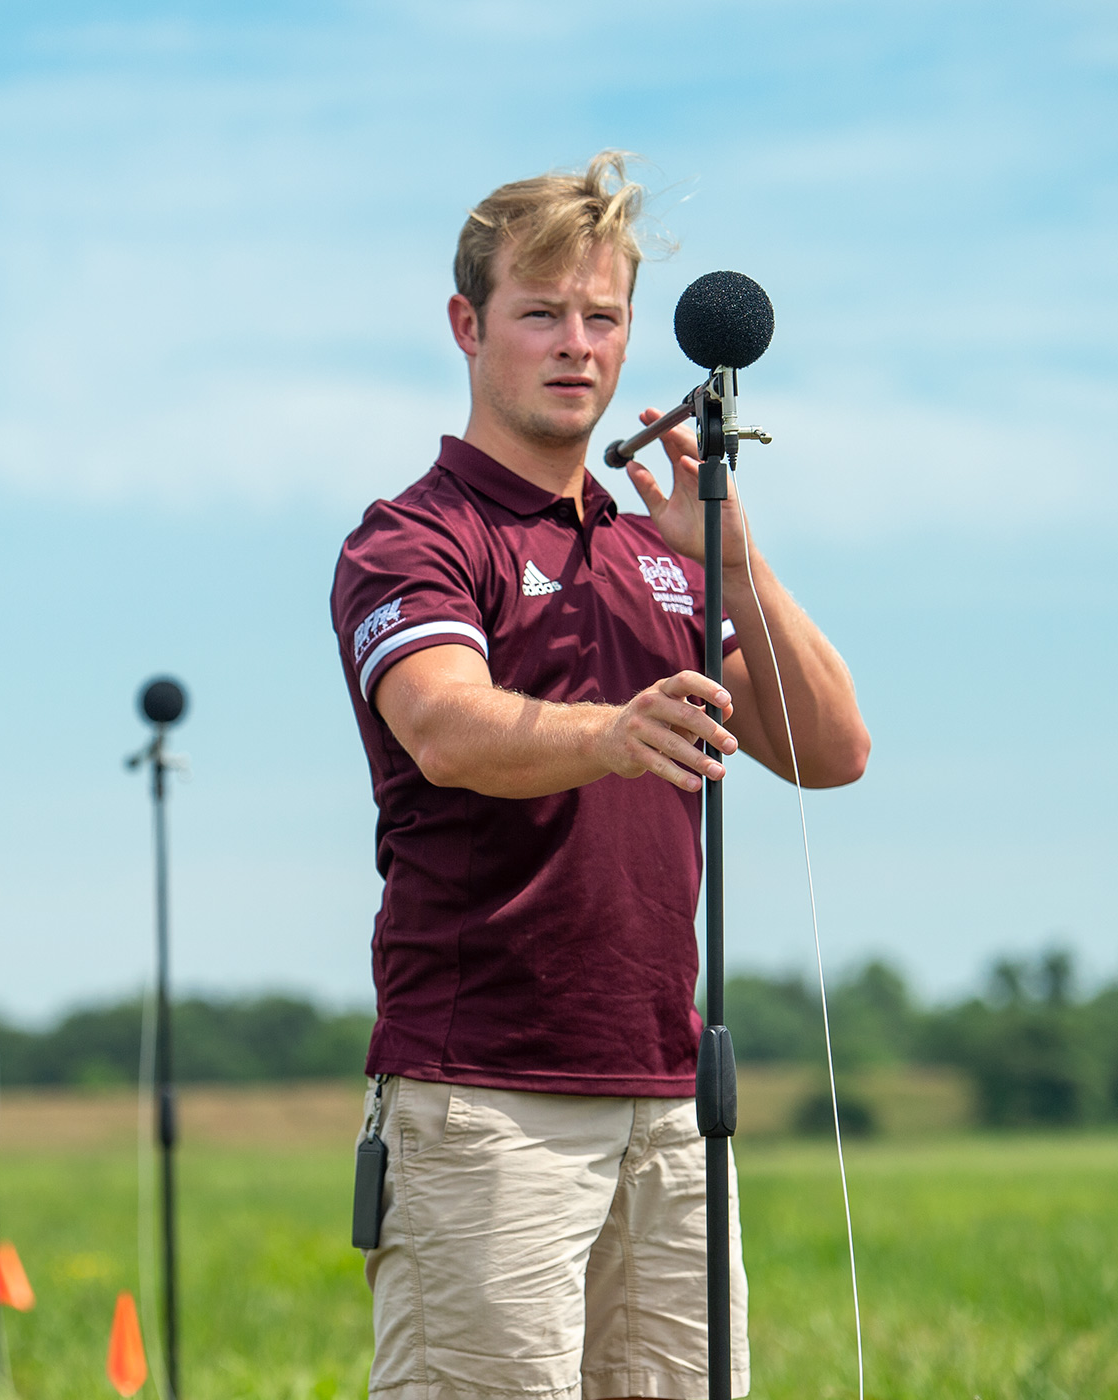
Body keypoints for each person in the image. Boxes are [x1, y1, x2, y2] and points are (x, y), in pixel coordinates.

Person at [329, 152, 871, 1400]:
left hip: (672, 1103)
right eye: (540, 313)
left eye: (603, 317)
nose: (576, 345)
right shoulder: (415, 535)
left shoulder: (658, 554)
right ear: (468, 327)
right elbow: (446, 727)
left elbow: (833, 749)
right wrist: (607, 731)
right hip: (485, 1100)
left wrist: (737, 566)